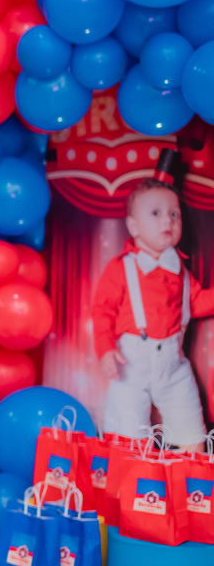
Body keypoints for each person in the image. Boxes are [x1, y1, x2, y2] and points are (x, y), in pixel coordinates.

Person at [92, 148, 214, 450]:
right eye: (156, 213)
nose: (168, 221)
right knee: (127, 433)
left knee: (190, 429)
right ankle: (127, 486)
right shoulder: (123, 267)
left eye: (174, 214)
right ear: (133, 227)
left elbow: (196, 303)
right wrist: (106, 350)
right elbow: (102, 311)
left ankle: (191, 481)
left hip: (173, 362)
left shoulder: (180, 270)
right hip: (132, 362)